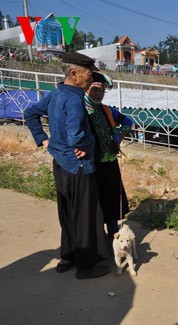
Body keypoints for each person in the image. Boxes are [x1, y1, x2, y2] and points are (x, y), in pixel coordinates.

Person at [24, 52, 110, 279]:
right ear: (74, 73)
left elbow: (30, 112)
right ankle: (86, 267)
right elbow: (76, 135)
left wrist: (43, 139)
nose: (91, 79)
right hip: (79, 166)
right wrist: (87, 144)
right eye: (89, 74)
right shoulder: (74, 99)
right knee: (85, 216)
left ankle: (67, 257)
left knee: (67, 212)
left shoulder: (56, 93)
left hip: (61, 164)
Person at [85, 72, 133, 239]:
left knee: (111, 198)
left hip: (109, 160)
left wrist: (118, 138)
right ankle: (97, 236)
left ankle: (113, 234)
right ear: (87, 89)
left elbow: (127, 122)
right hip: (91, 163)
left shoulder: (107, 110)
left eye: (101, 90)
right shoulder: (82, 109)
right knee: (95, 200)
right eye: (94, 90)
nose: (98, 94)